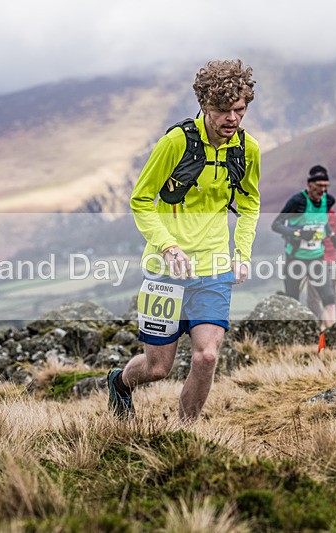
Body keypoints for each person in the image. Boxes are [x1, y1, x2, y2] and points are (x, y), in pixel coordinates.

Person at [108, 59, 260, 422]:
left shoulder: (246, 149)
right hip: (165, 270)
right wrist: (168, 246)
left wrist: (242, 253)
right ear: (205, 104)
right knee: (157, 368)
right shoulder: (176, 142)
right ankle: (120, 382)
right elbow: (141, 200)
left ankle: (185, 435)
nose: (232, 119)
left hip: (213, 269)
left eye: (239, 109)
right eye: (222, 110)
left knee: (207, 357)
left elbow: (250, 205)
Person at [271, 165, 336, 328]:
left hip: (317, 258)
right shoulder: (297, 202)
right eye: (319, 186)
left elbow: (322, 221)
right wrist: (298, 234)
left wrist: (332, 236)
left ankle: (332, 336)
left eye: (326, 186)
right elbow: (276, 225)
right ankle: (294, 336)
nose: (323, 190)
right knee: (293, 301)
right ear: (309, 185)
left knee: (329, 299)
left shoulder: (328, 201)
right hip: (295, 258)